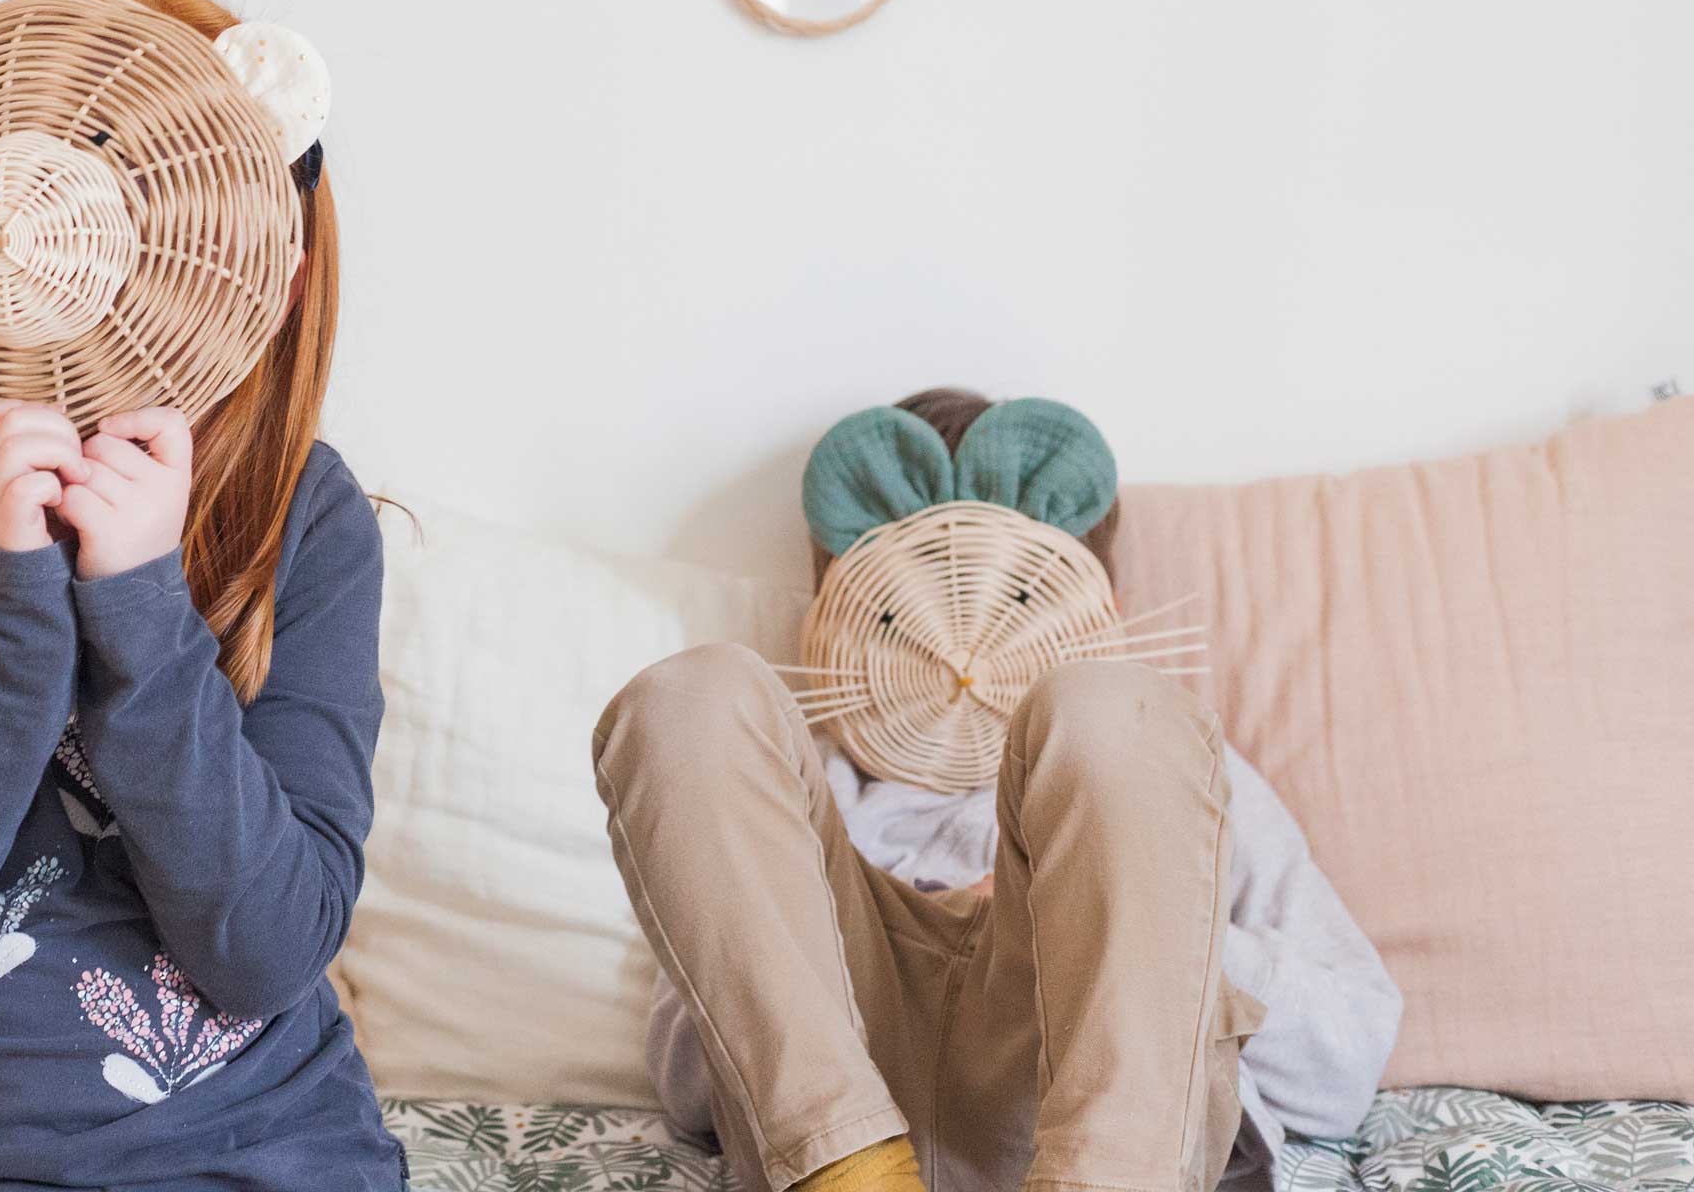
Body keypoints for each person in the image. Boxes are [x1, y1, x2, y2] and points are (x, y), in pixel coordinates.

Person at [0, 0, 401, 1190]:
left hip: (258, 1153)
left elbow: (270, 948)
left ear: (279, 277)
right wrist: (9, 606)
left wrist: (145, 610)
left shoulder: (303, 517)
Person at [593, 388, 1400, 1192]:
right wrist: (802, 952)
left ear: (1101, 606)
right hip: (833, 1120)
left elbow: (1346, 1064)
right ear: (839, 616)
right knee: (688, 701)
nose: (963, 645)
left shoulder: (1176, 772)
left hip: (1118, 1112)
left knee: (1115, 712)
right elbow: (687, 1087)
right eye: (904, 609)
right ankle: (852, 1174)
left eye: (1014, 596)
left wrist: (1137, 924)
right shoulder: (786, 779)